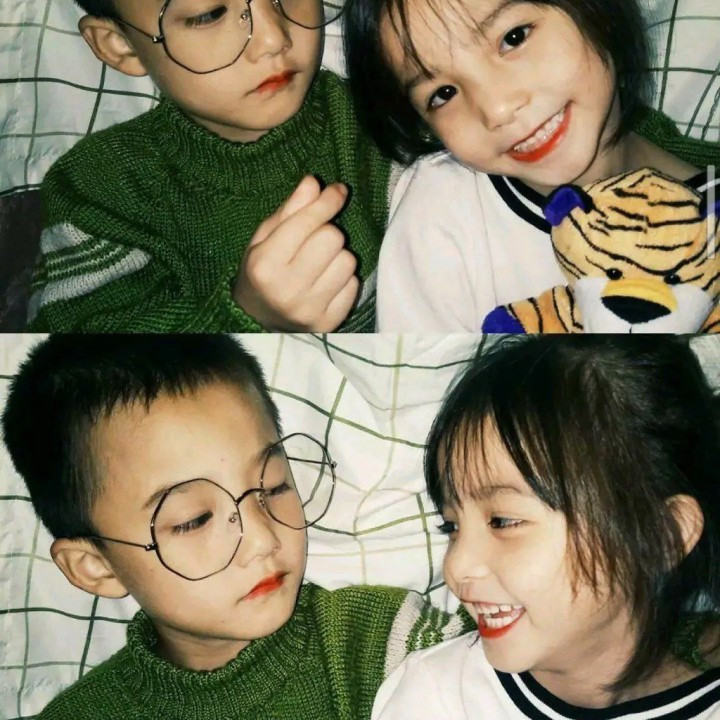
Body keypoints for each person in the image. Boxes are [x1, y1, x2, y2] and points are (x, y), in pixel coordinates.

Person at [1, 335, 471, 719]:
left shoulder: (379, 644)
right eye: (195, 520)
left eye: (274, 486)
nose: (263, 539)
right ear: (95, 566)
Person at [371, 335, 720, 719]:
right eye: (451, 526)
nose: (457, 567)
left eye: (503, 521)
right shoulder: (436, 693)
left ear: (664, 536)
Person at [344, 0, 720, 331]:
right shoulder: (440, 211)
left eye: (514, 38)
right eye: (444, 94)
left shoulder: (709, 220)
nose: (496, 109)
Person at [28, 0, 393, 333]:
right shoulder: (98, 190)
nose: (273, 39)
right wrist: (247, 315)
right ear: (119, 44)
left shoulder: (387, 122)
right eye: (209, 15)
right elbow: (79, 367)